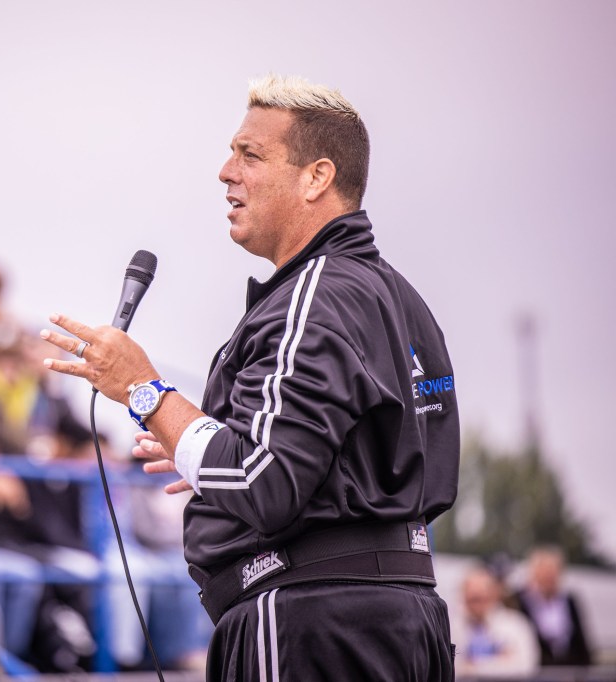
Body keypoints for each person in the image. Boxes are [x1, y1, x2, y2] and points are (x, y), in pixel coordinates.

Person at [40, 74, 460, 680]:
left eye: (250, 154)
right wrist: (197, 445)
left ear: (316, 177)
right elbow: (345, 468)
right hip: (397, 618)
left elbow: (263, 480)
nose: (225, 172)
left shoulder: (316, 295)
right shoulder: (396, 296)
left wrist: (145, 390)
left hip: (309, 623)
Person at [452, 567, 539, 677]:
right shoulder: (453, 627)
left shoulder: (516, 624)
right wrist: (500, 660)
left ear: (493, 595)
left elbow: (526, 664)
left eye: (481, 598)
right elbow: (453, 666)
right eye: (472, 599)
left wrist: (476, 666)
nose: (476, 605)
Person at [515, 546, 593, 666]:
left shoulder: (569, 601)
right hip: (537, 668)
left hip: (570, 668)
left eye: (553, 572)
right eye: (544, 572)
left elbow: (580, 640)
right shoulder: (519, 600)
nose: (548, 577)